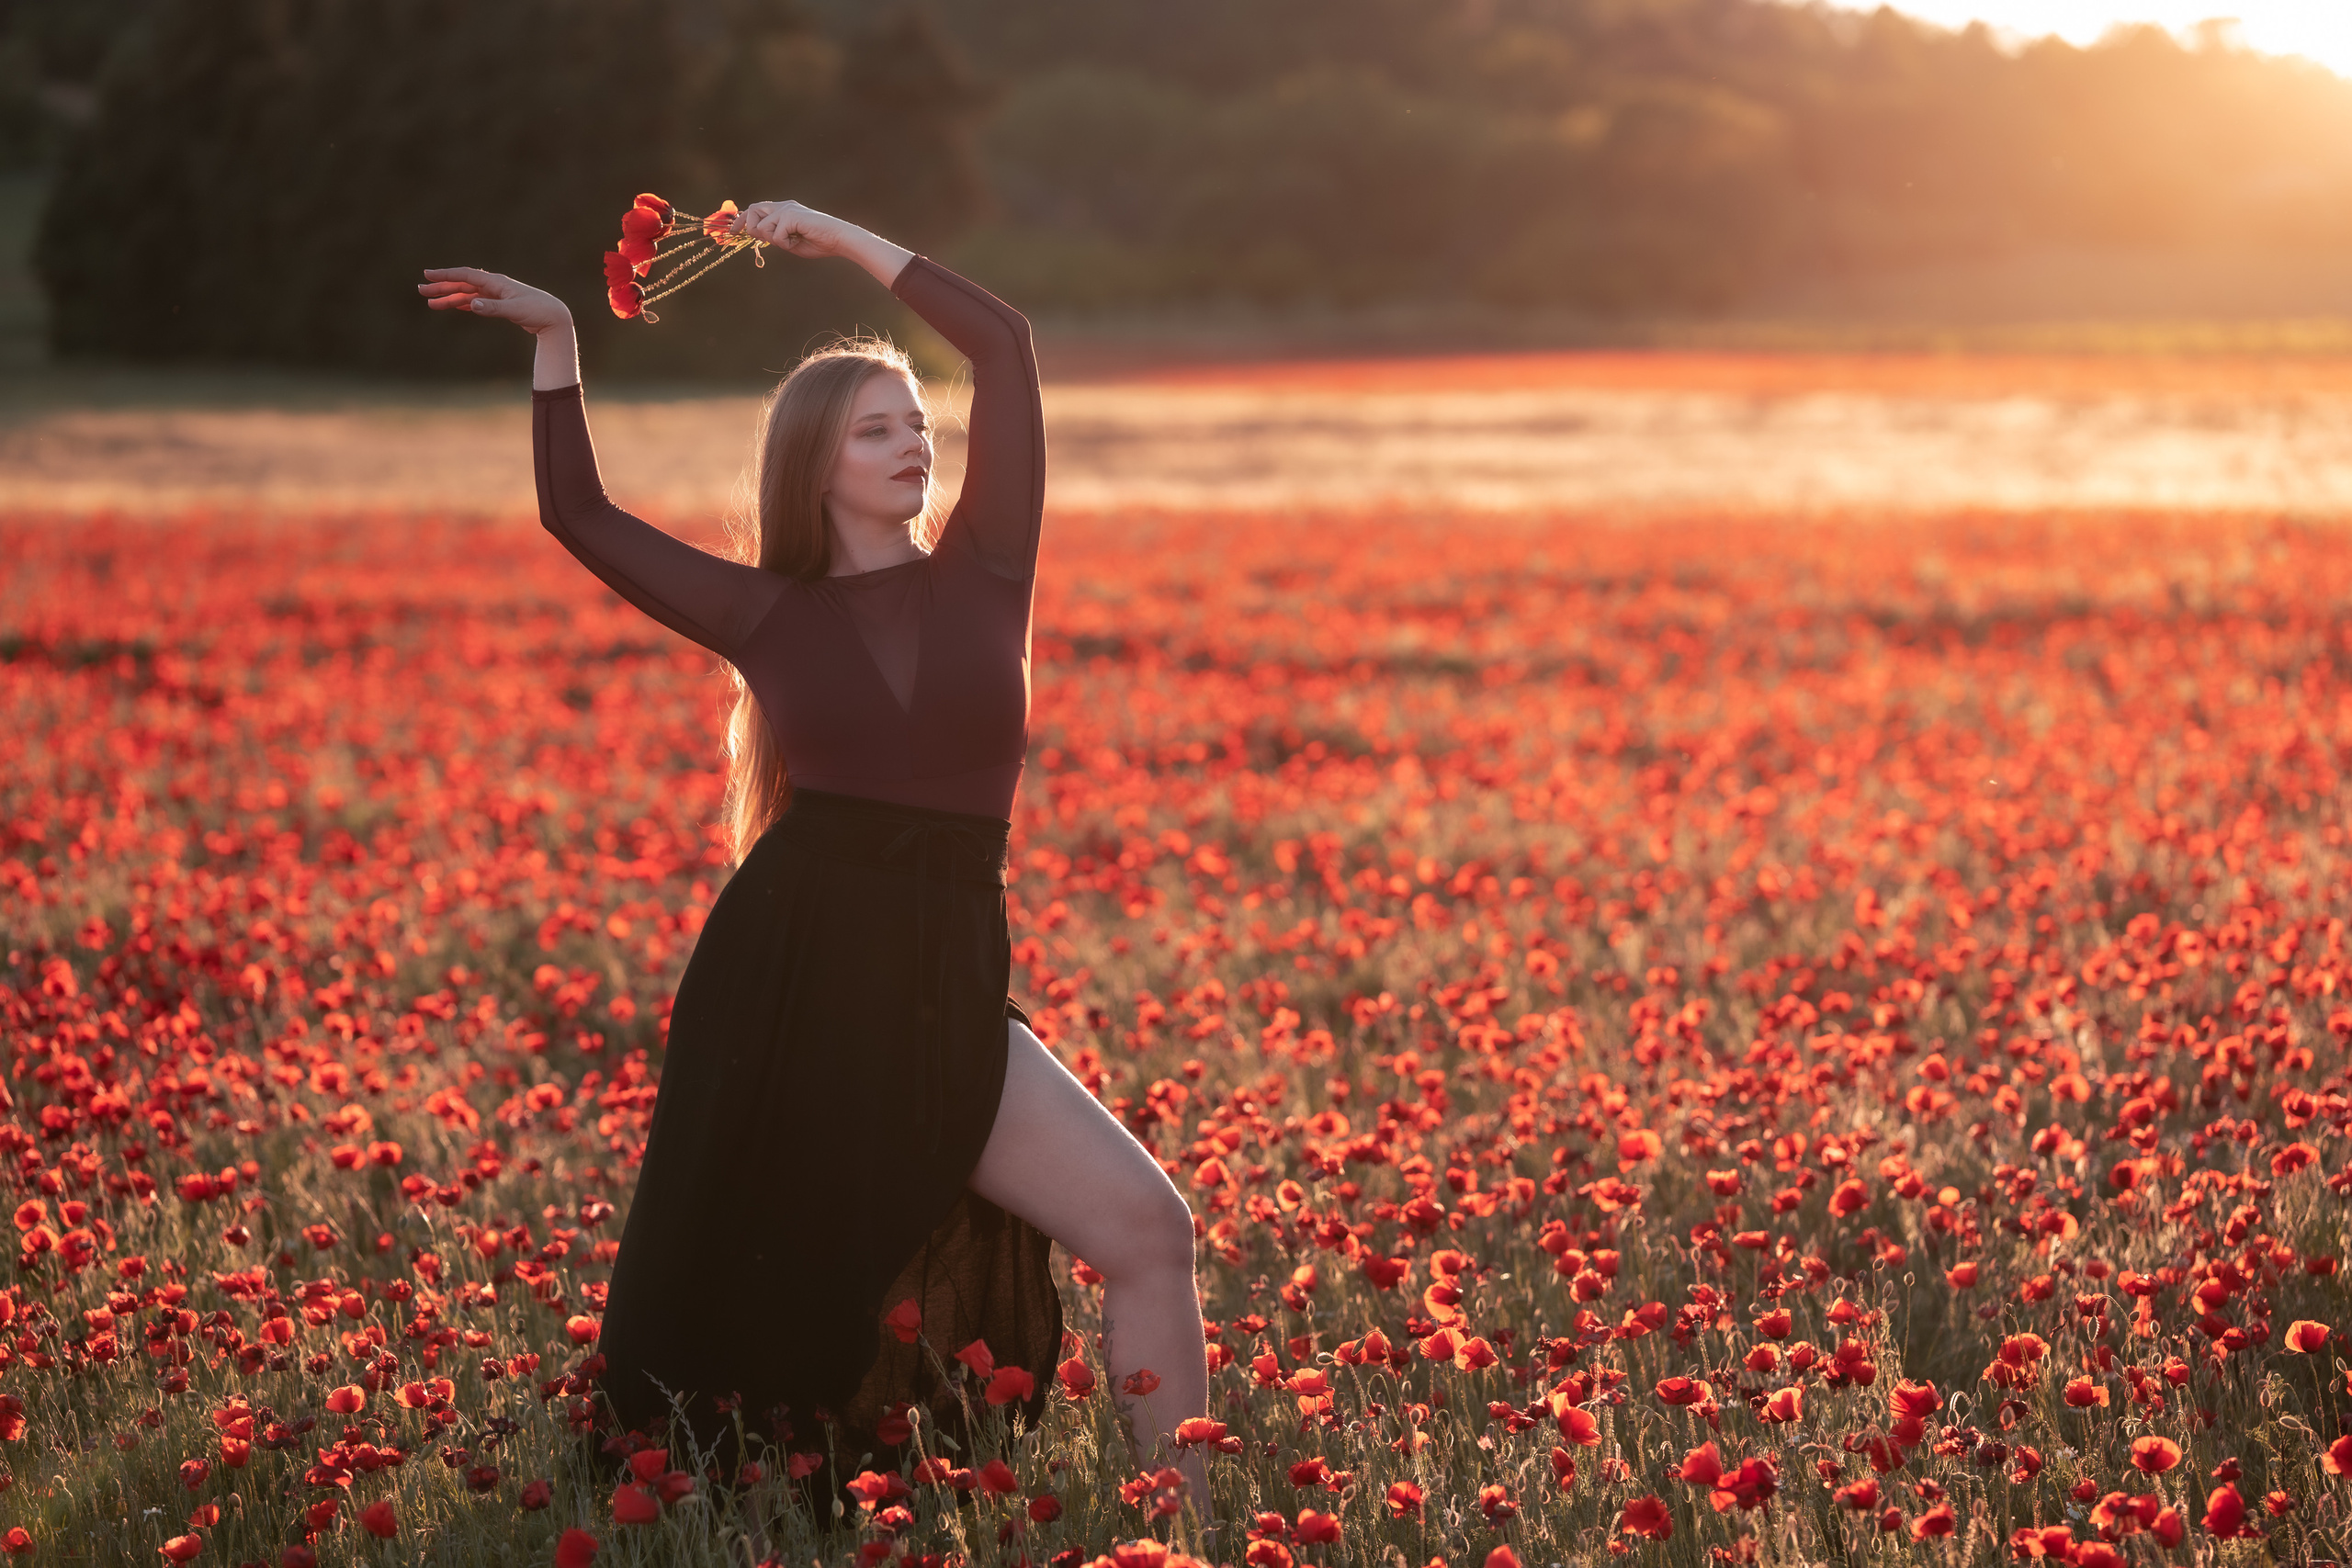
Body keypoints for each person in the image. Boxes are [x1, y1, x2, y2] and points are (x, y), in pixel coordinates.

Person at [417, 202, 1211, 1511]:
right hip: (790, 978)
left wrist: (844, 240)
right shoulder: (764, 615)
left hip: (943, 980)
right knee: (772, 1292)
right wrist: (558, 335)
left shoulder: (988, 569)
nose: (914, 445)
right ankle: (730, 1517)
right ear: (816, 461)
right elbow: (578, 513)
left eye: (918, 422)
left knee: (1149, 1231)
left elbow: (1003, 346)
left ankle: (1187, 1536)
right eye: (877, 427)